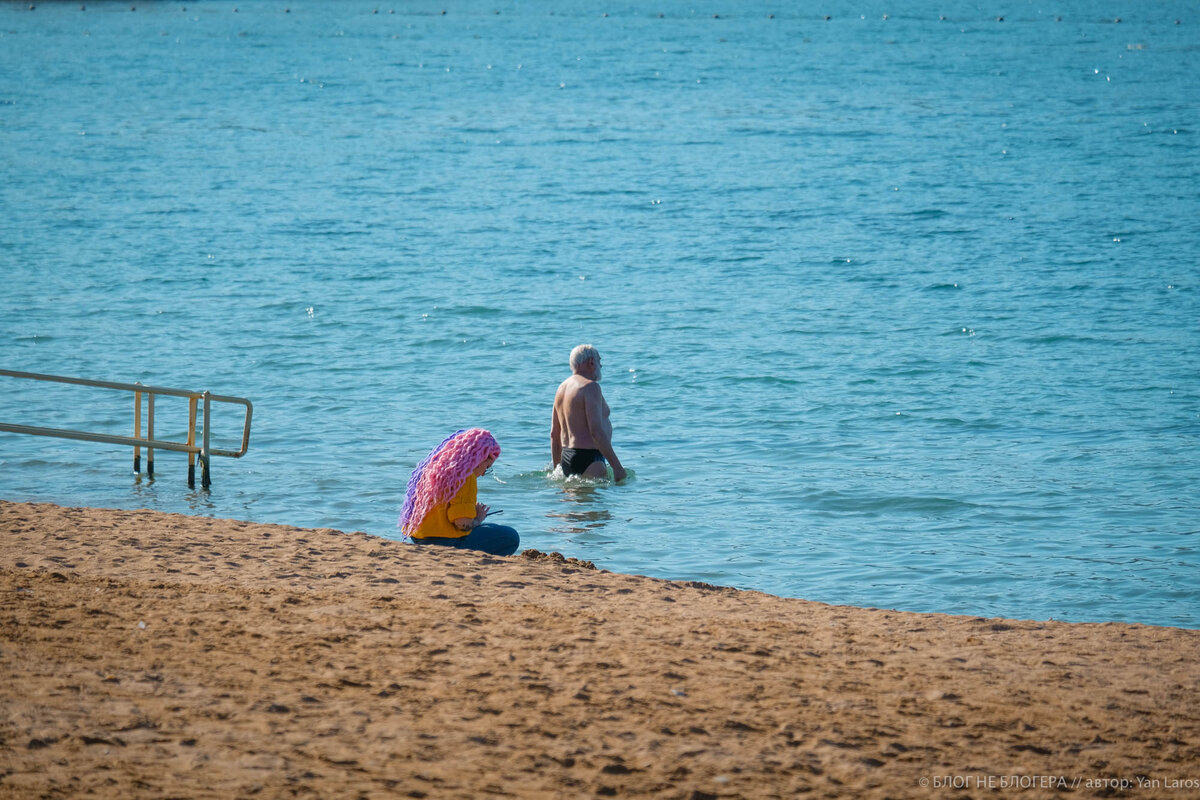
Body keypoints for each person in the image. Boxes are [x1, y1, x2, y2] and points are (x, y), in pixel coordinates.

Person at [398, 428, 520, 556]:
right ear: (479, 459)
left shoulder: (434, 469)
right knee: (510, 536)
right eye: (487, 467)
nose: (483, 473)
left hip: (419, 538)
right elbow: (462, 524)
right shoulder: (466, 477)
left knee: (490, 529)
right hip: (444, 542)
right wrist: (478, 519)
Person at [551, 344, 627, 482]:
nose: (601, 366)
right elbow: (596, 431)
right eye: (600, 361)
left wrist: (557, 469)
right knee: (595, 503)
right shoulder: (590, 387)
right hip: (590, 459)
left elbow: (554, 435)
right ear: (591, 362)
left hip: (566, 457)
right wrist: (617, 467)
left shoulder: (561, 389)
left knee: (573, 503)